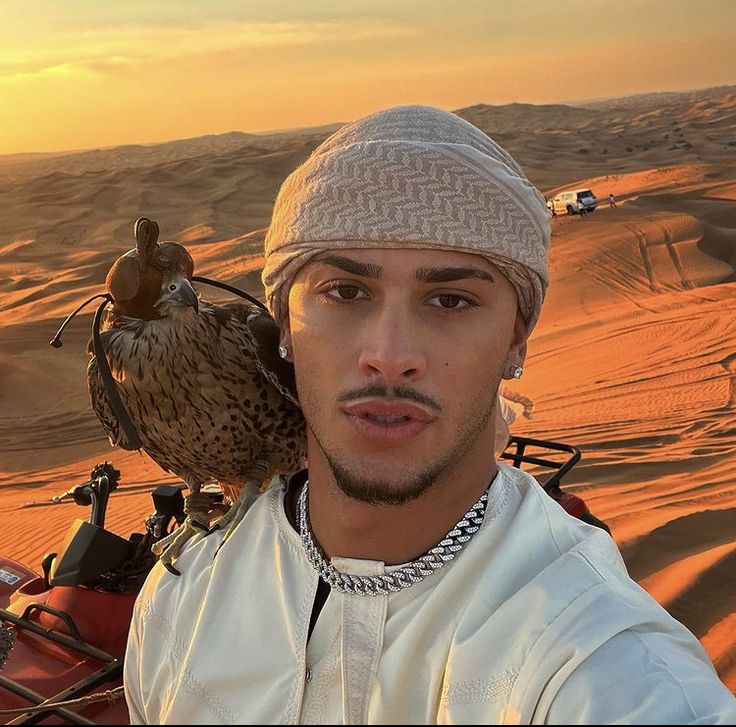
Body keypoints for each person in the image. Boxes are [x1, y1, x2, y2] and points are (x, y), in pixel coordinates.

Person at [124, 105, 736, 724]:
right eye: (345, 293)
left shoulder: (603, 662)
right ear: (283, 323)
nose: (390, 357)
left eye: (450, 299)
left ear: (517, 338)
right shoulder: (182, 601)